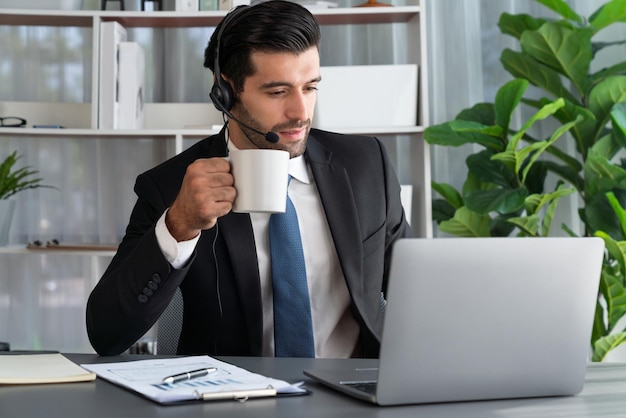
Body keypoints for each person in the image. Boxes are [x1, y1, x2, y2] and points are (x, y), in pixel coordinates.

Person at [85, 0, 412, 358]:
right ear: (225, 91)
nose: (301, 112)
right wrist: (177, 226)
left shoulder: (367, 165)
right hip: (233, 398)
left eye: (310, 87)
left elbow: (415, 292)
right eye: (277, 91)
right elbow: (107, 334)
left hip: (352, 395)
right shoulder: (170, 186)